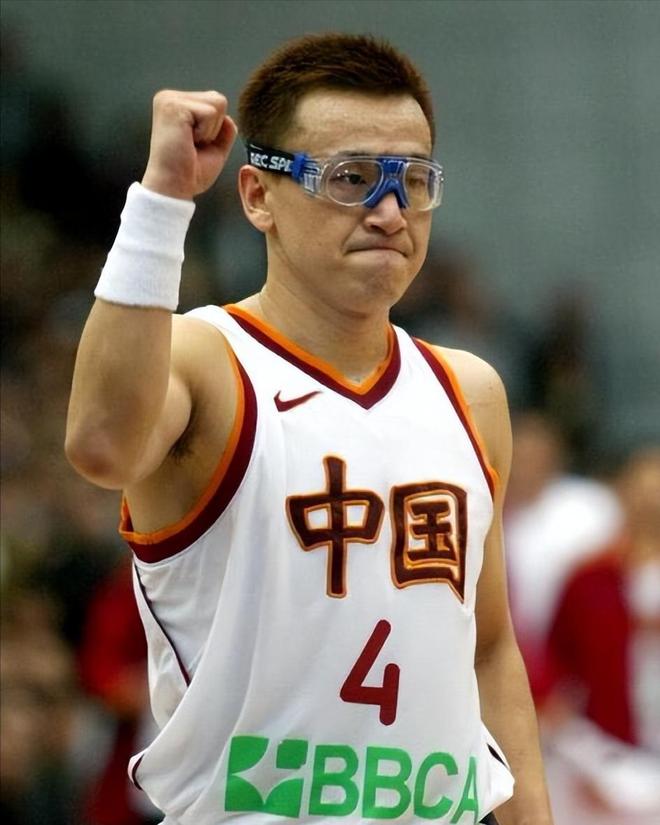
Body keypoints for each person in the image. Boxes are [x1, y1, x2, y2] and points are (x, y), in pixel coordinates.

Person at [65, 33, 553, 825]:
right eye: (352, 178)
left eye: (413, 180)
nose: (390, 211)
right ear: (258, 196)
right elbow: (98, 442)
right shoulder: (204, 361)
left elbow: (490, 650)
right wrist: (161, 200)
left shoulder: (471, 391)